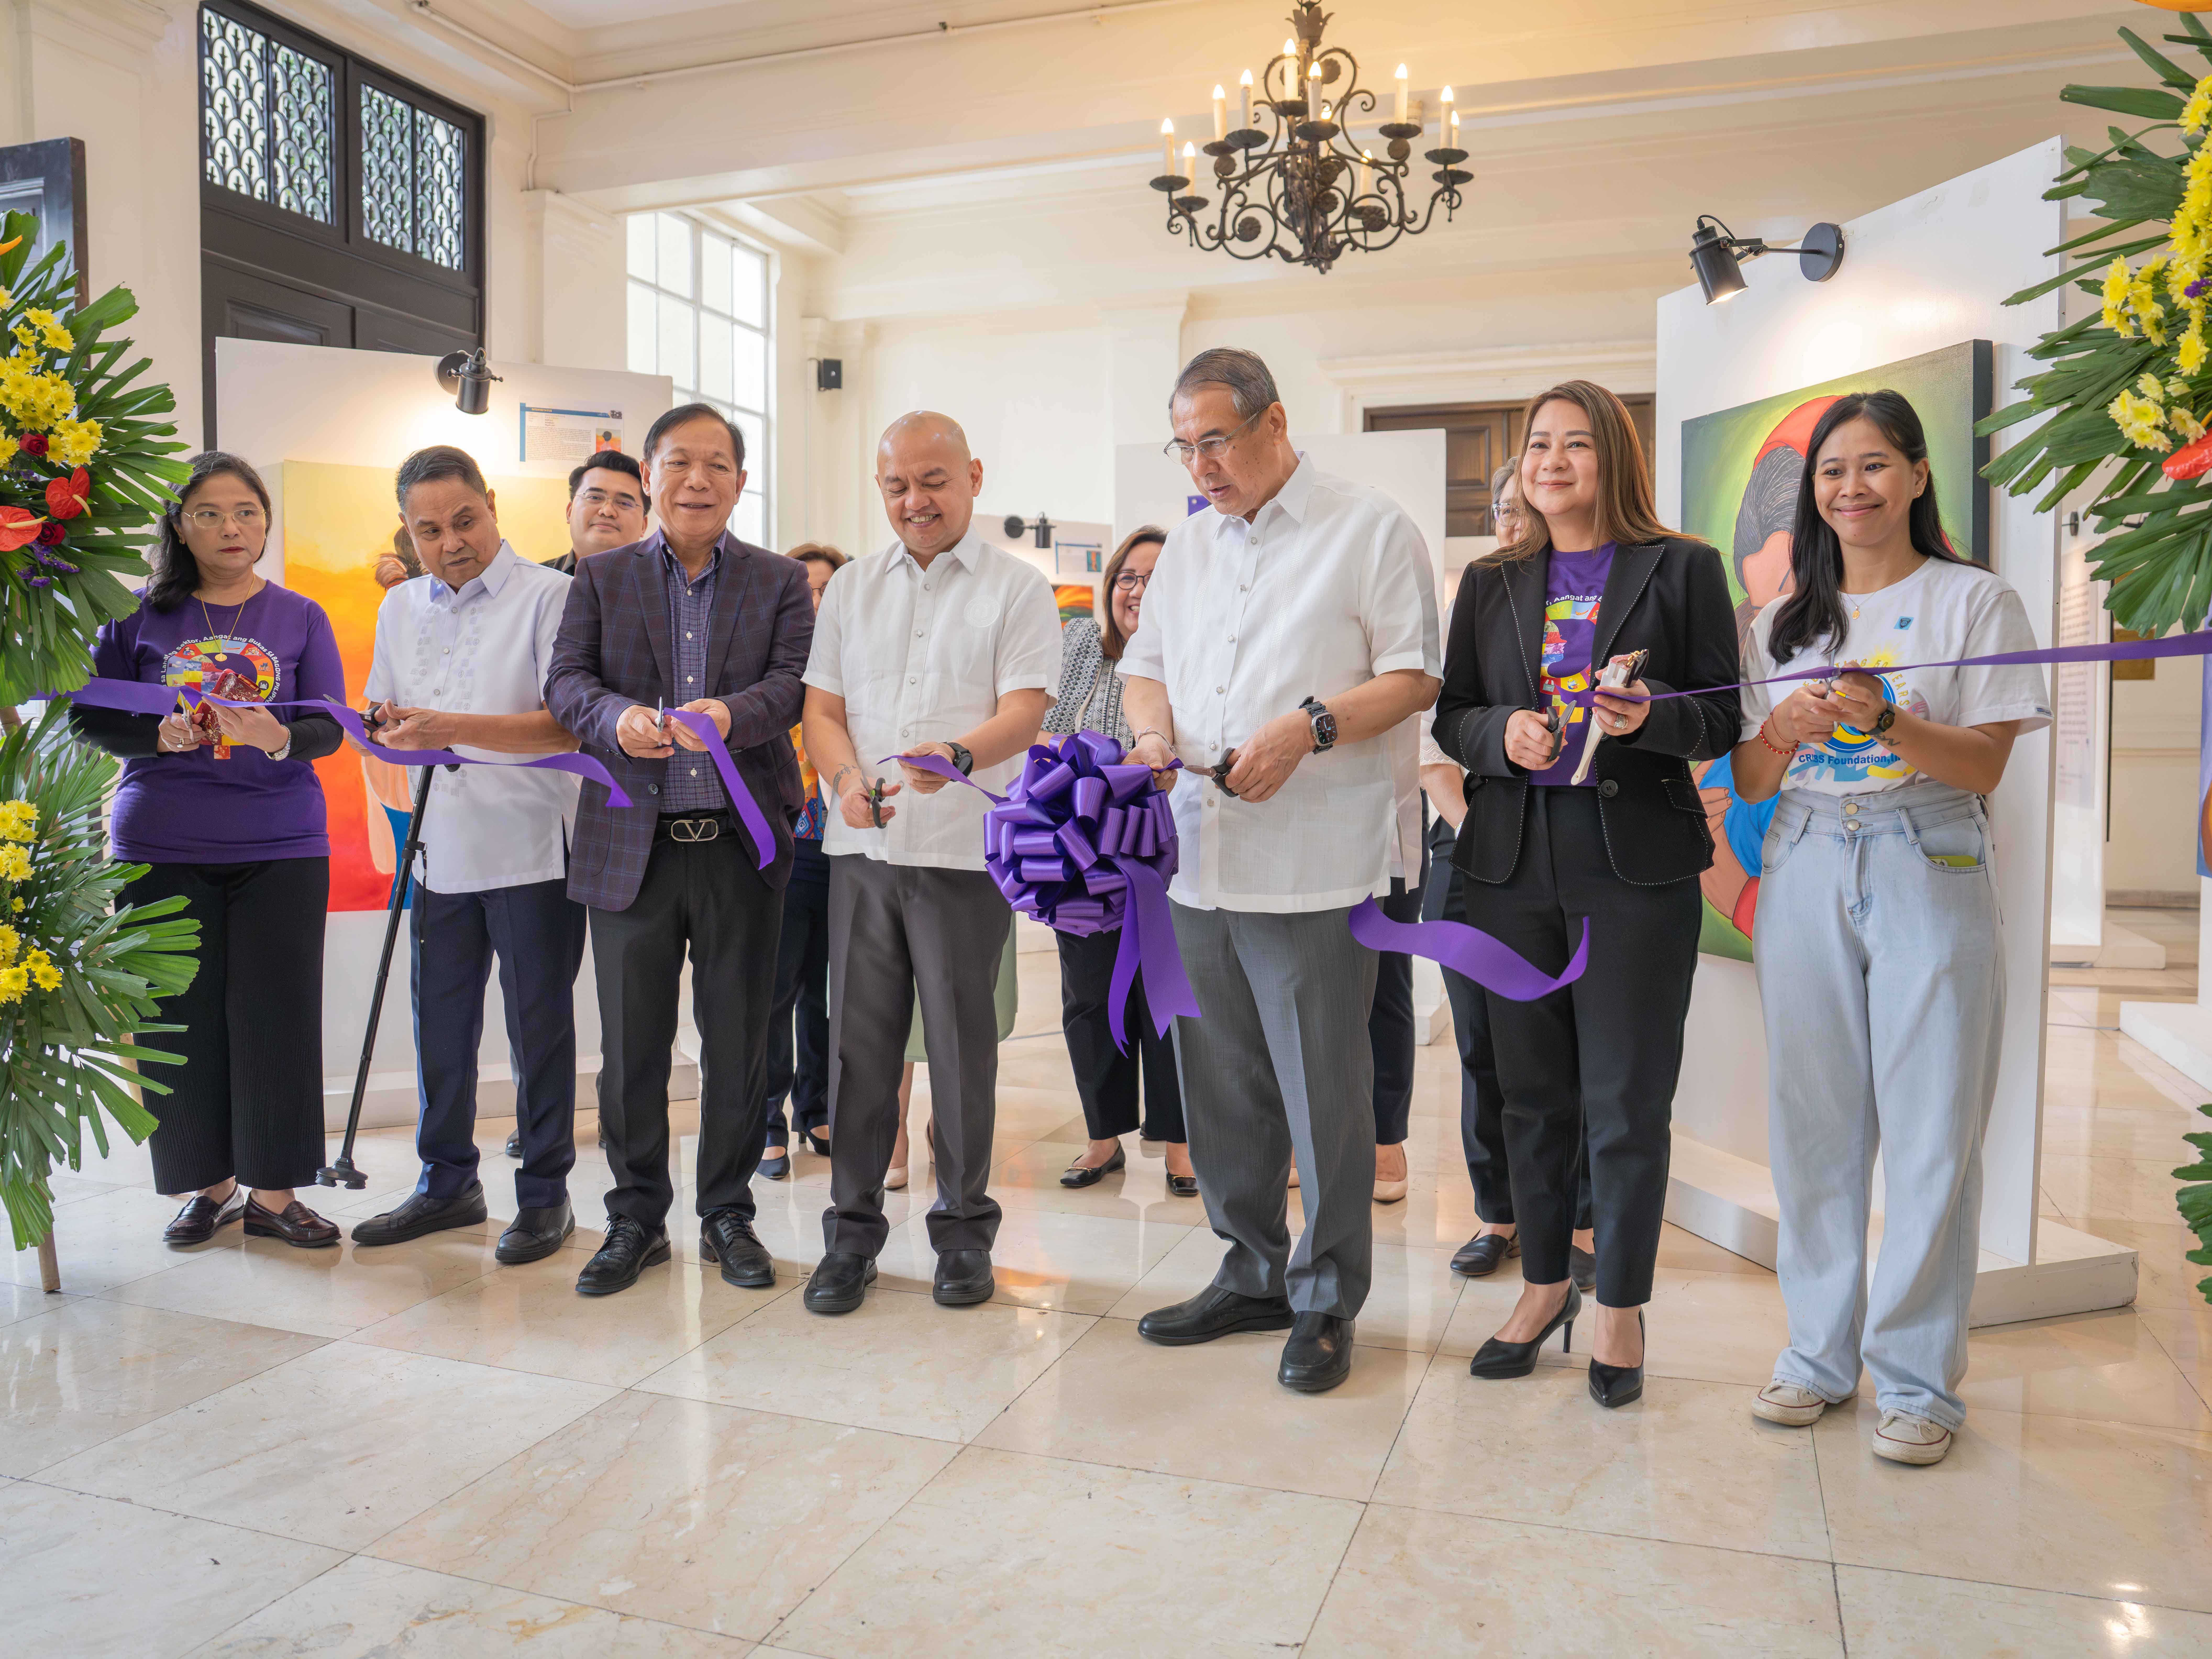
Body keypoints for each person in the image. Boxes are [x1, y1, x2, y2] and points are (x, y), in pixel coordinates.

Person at [1731, 390, 2049, 1466]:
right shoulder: (1780, 620)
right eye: (1832, 472)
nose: (1851, 489)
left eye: (1874, 466)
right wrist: (1779, 727)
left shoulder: (1976, 601)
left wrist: (1890, 721)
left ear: (1918, 475)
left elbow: (1988, 764)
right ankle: (1817, 1357)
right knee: (1814, 1122)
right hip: (1808, 854)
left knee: (1931, 1129)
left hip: (1932, 852)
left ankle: (1916, 1382)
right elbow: (1749, 775)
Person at [1122, 347, 1440, 1395]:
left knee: (1323, 1090)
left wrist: (1308, 729)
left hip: (1315, 863)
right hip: (1197, 855)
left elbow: (1413, 676)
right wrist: (1151, 735)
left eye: (1216, 440)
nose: (1202, 466)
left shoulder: (1368, 527)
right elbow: (1146, 670)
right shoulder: (1191, 550)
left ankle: (1324, 1296)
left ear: (1274, 423)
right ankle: (1251, 1266)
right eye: (1186, 446)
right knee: (1220, 1088)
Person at [1434, 380, 1739, 1409]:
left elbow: (1722, 718)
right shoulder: (1492, 581)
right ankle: (1544, 1286)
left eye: (1576, 444)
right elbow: (1454, 714)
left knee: (1625, 1099)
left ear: (1614, 456)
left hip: (1635, 866)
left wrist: (1650, 715)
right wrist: (1499, 736)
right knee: (1531, 1094)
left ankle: (1620, 1303)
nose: (1553, 461)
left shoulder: (1682, 568)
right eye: (1538, 445)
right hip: (1512, 863)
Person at [545, 402, 814, 1296]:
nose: (696, 480)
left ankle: (726, 1214)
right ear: (650, 475)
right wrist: (615, 719)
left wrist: (734, 715)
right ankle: (633, 1218)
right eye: (678, 463)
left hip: (740, 848)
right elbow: (566, 683)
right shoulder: (602, 575)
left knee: (738, 1040)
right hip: (633, 847)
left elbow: (789, 686)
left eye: (716, 464)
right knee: (631, 1049)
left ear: (741, 480)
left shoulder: (776, 580)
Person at [799, 411, 1061, 1315]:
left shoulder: (1016, 590)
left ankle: (961, 1232)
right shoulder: (850, 590)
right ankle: (851, 1236)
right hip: (862, 849)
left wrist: (955, 753)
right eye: (897, 486)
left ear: (973, 476)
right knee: (859, 1051)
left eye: (934, 481)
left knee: (960, 1051)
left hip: (963, 854)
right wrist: (841, 779)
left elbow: (1025, 709)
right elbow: (822, 709)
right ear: (880, 490)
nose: (915, 501)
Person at [73, 452, 346, 1249]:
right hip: (161, 842)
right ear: (179, 526)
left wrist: (278, 734)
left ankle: (274, 1194)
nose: (232, 528)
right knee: (174, 1019)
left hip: (282, 844)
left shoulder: (300, 616)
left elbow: (329, 728)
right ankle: (209, 1187)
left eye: (247, 512)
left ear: (265, 522)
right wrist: (156, 732)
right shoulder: (133, 618)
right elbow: (88, 718)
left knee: (278, 1017)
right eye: (210, 514)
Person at [345, 446, 588, 1265]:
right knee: (440, 1027)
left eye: (464, 521)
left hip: (530, 848)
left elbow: (566, 724)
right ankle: (446, 1183)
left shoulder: (552, 596)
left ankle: (546, 1194)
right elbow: (383, 709)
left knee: (538, 1031)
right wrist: (383, 728)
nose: (451, 542)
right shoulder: (401, 607)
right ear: (407, 535)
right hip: (436, 847)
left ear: (490, 505)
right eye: (428, 530)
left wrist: (448, 727)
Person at [1436, 466, 1595, 1290]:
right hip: (1474, 859)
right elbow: (1438, 744)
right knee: (1483, 1047)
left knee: (1576, 1049)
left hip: (1565, 857)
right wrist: (1493, 836)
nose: (1513, 521)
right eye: (1502, 509)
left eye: (1520, 506)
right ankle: (1496, 1214)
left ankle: (1584, 1221)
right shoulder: (1476, 598)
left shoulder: (1588, 605)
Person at [1041, 525, 1195, 1198]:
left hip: (1168, 852)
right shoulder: (1078, 643)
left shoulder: (1192, 655)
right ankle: (1102, 1137)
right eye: (1126, 577)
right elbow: (1038, 723)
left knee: (1165, 995)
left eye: (1154, 577)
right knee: (1088, 996)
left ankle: (1179, 1145)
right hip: (1079, 850)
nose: (1136, 590)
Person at [758, 540, 847, 1181]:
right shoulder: (767, 661)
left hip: (841, 846)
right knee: (774, 989)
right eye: (806, 589)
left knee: (826, 992)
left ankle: (815, 1109)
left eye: (828, 589)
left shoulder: (854, 660)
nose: (816, 600)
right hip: (780, 845)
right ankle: (764, 1120)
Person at [545, 451, 649, 577]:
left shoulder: (666, 590)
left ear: (643, 526)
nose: (607, 511)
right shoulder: (532, 582)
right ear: (570, 511)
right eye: (595, 498)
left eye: (624, 503)